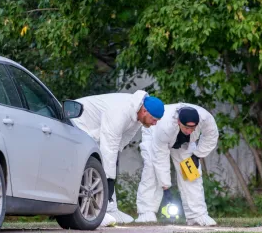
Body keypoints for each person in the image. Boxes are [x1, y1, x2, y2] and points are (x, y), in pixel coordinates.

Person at [73, 90, 164, 226]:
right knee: (100, 166)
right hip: (78, 122)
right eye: (154, 119)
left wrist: (111, 168)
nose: (155, 124)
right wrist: (108, 181)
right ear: (144, 111)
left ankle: (110, 209)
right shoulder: (120, 112)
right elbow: (109, 149)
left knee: (108, 164)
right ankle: (100, 211)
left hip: (97, 131)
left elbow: (122, 141)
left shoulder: (137, 116)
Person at [135, 103, 219, 226]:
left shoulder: (205, 118)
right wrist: (166, 186)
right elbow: (160, 157)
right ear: (179, 121)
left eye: (193, 128)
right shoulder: (164, 126)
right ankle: (146, 213)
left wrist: (197, 155)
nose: (190, 131)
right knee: (152, 169)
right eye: (187, 128)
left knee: (191, 175)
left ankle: (197, 215)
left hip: (184, 143)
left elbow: (211, 136)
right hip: (154, 135)